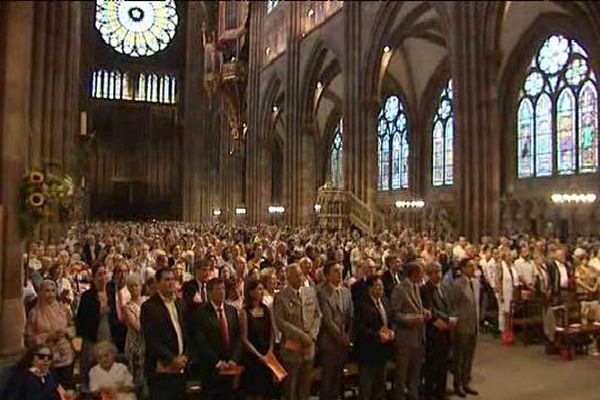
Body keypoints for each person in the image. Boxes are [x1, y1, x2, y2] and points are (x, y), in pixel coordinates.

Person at [273, 264, 322, 400]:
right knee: (291, 389)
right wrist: (301, 336)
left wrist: (312, 336)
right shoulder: (281, 296)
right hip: (291, 349)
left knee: (305, 387)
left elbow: (317, 315)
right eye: (296, 275)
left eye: (301, 274)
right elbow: (281, 322)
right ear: (288, 277)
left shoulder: (310, 292)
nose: (300, 277)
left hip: (308, 349)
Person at [190, 278, 242, 400]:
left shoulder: (232, 310)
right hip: (211, 368)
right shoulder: (201, 313)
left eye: (223, 288)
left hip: (231, 367)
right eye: (218, 289)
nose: (222, 292)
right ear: (209, 292)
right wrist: (217, 363)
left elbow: (238, 337)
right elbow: (201, 342)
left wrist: (234, 359)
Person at [140, 268, 188, 400]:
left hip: (181, 367)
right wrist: (172, 359)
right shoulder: (149, 307)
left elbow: (187, 333)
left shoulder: (181, 303)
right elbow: (152, 340)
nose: (171, 283)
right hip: (160, 369)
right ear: (157, 283)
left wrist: (185, 357)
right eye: (167, 280)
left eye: (173, 279)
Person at [25, 280, 75, 388]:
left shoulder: (63, 309)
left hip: (66, 357)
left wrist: (66, 332)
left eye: (53, 290)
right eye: (47, 291)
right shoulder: (34, 313)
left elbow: (72, 327)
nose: (51, 294)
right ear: (41, 292)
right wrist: (48, 336)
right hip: (46, 361)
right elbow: (29, 339)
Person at [391, 261, 429, 400]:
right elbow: (395, 313)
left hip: (418, 336)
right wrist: (412, 319)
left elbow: (416, 307)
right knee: (402, 374)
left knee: (415, 373)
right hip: (405, 338)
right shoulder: (400, 289)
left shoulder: (416, 286)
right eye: (421, 272)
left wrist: (424, 312)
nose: (423, 275)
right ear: (414, 273)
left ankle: (413, 395)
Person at [316, 261, 353, 400]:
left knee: (338, 381)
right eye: (335, 271)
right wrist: (341, 337)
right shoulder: (321, 292)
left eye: (340, 270)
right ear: (327, 275)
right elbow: (327, 319)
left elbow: (351, 316)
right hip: (329, 342)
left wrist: (349, 336)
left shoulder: (346, 291)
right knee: (327, 381)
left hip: (343, 343)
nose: (339, 273)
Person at [354, 276, 394, 400]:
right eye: (377, 285)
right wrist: (377, 335)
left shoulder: (385, 301)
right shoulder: (362, 305)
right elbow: (360, 329)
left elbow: (390, 320)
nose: (381, 288)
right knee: (367, 387)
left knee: (380, 385)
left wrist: (391, 332)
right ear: (370, 288)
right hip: (368, 352)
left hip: (383, 350)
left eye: (381, 285)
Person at [421, 262, 455, 400]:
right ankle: (429, 393)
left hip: (446, 330)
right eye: (434, 272)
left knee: (443, 363)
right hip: (433, 332)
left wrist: (452, 317)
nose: (438, 275)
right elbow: (429, 308)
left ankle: (441, 392)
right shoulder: (425, 289)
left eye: (439, 271)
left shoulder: (445, 287)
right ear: (429, 274)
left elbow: (450, 304)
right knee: (432, 365)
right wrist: (443, 319)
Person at [240, 279, 277, 400]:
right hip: (253, 356)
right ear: (251, 292)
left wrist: (270, 351)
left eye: (262, 289)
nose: (262, 292)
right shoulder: (245, 312)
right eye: (259, 289)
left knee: (265, 391)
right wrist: (258, 355)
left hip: (267, 354)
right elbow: (244, 338)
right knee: (253, 392)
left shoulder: (266, 309)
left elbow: (272, 331)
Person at [76, 264, 111, 377]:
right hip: (92, 337)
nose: (103, 277)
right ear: (94, 278)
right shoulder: (87, 296)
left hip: (108, 335)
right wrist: (98, 311)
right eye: (99, 274)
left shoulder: (111, 293)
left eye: (104, 273)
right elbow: (81, 320)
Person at [452, 258, 479, 397]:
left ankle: (466, 381)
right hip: (462, 325)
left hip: (473, 323)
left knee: (469, 356)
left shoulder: (475, 282)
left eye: (474, 266)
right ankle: (458, 384)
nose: (473, 269)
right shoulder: (458, 284)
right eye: (469, 266)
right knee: (460, 357)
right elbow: (454, 305)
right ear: (462, 268)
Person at [123, 275, 147, 394]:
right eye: (131, 287)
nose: (134, 289)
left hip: (148, 342)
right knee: (138, 379)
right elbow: (137, 327)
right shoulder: (128, 307)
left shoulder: (147, 301)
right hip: (136, 344)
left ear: (141, 286)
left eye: (136, 285)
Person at [106, 261, 131, 353]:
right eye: (120, 271)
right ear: (115, 274)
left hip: (128, 329)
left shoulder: (132, 289)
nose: (122, 275)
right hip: (113, 329)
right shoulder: (108, 289)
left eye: (125, 271)